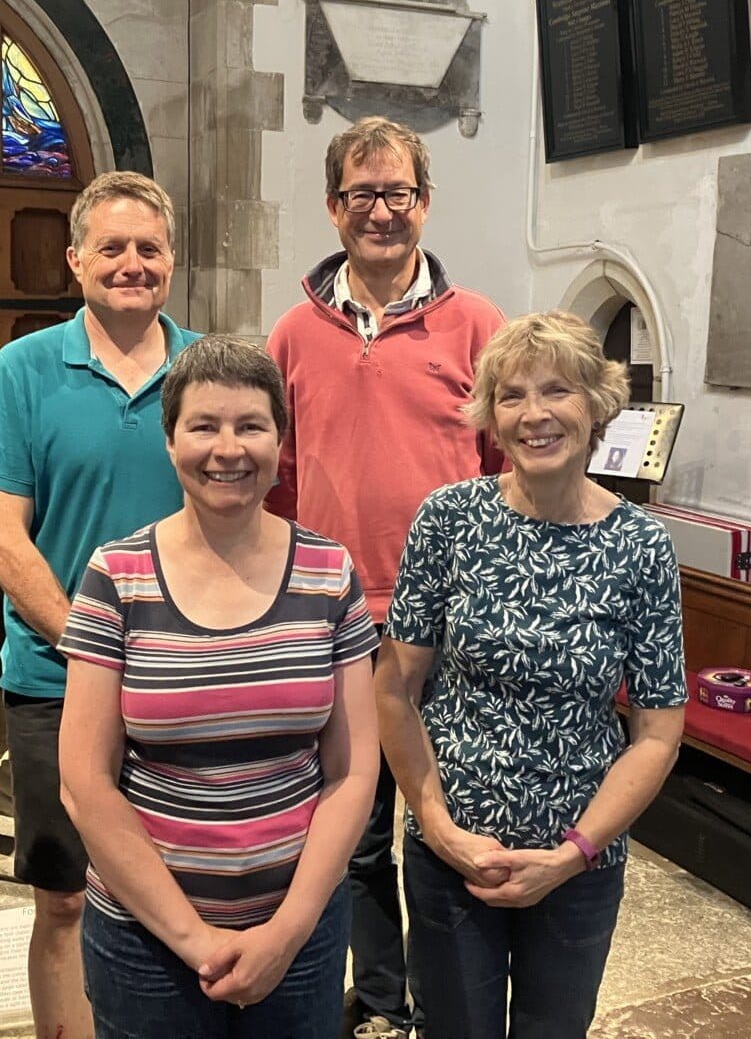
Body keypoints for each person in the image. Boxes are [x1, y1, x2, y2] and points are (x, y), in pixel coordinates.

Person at [375, 311, 687, 1039]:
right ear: (491, 415)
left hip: (578, 862)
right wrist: (438, 827)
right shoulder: (449, 520)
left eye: (556, 391)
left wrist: (572, 855)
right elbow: (394, 688)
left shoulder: (641, 546)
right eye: (511, 395)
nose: (533, 414)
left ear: (598, 405)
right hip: (454, 853)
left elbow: (656, 732)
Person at [58, 336, 380, 1038]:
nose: (227, 449)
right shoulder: (117, 575)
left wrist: (287, 933)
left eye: (251, 426)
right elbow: (84, 783)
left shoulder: (328, 570)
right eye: (203, 426)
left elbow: (353, 770)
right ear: (170, 441)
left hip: (299, 934)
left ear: (279, 442)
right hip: (145, 940)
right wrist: (195, 940)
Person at [265, 115, 504, 1039]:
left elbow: (503, 471)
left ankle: (450, 1004)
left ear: (425, 203)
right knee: (355, 831)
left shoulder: (477, 324)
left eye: (397, 193)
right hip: (339, 618)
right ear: (334, 208)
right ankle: (378, 999)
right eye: (361, 194)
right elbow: (279, 480)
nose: (380, 211)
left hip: (450, 621)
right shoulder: (295, 333)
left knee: (449, 827)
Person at [0, 170, 200, 1039]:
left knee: (182, 888)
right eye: (112, 247)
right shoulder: (23, 372)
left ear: (172, 259)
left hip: (185, 676)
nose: (132, 263)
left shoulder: (206, 369)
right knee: (64, 898)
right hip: (58, 678)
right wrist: (97, 644)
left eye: (149, 248)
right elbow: (2, 543)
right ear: (75, 260)